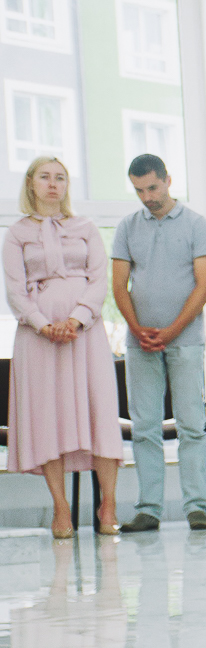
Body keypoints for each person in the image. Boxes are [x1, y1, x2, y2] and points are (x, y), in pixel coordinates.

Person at [2, 157, 123, 538]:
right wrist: (44, 324)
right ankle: (61, 508)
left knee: (99, 410)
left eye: (60, 178)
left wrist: (76, 319)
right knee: (47, 418)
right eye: (45, 177)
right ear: (31, 183)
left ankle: (108, 504)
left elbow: (99, 280)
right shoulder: (17, 233)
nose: (53, 184)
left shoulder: (85, 227)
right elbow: (15, 291)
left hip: (85, 334)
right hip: (38, 339)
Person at [112, 154, 206, 533]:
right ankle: (149, 510)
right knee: (144, 428)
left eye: (153, 188)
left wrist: (172, 330)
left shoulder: (196, 224)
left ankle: (197, 508)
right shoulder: (127, 227)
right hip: (140, 343)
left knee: (191, 425)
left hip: (185, 341)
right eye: (139, 190)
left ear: (168, 180)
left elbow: (204, 285)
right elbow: (118, 286)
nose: (148, 197)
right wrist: (137, 328)